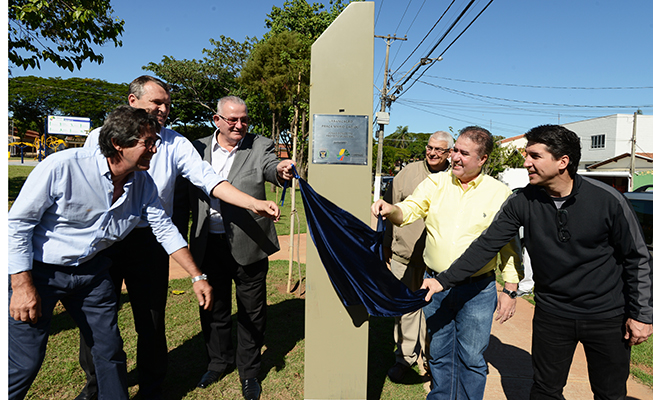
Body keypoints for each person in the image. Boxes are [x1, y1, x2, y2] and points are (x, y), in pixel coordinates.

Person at [76, 76, 278, 400]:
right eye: (156, 102)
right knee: (98, 319)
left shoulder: (175, 143)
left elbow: (209, 180)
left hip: (152, 241)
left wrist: (253, 202)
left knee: (152, 321)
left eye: (167, 104)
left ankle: (153, 387)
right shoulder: (98, 139)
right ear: (132, 101)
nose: (163, 109)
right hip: (104, 243)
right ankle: (95, 386)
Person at [425, 124, 653, 400]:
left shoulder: (608, 200)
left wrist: (641, 314)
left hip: (606, 316)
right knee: (545, 390)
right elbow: (486, 246)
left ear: (562, 162)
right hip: (552, 314)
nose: (526, 162)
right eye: (526, 154)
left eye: (534, 156)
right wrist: (442, 280)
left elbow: (637, 258)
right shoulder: (522, 201)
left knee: (610, 393)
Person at [8, 107, 220, 400]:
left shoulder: (142, 182)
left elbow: (164, 229)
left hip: (91, 274)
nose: (155, 149)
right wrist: (21, 286)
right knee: (24, 363)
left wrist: (197, 276)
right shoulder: (63, 167)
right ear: (119, 143)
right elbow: (18, 224)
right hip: (39, 272)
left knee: (109, 352)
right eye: (147, 142)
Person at [372, 126, 522, 400]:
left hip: (477, 291)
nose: (455, 157)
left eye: (464, 153)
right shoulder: (436, 183)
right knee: (439, 354)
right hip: (435, 285)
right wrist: (391, 209)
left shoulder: (499, 194)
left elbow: (510, 247)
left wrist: (510, 289)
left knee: (472, 358)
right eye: (455, 150)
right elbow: (411, 209)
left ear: (483, 159)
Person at [175, 96, 293, 400]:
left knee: (252, 311)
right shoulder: (195, 148)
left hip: (249, 240)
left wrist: (281, 171)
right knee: (213, 308)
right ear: (217, 120)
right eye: (232, 120)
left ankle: (250, 371)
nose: (240, 125)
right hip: (207, 241)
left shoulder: (261, 145)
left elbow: (271, 168)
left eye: (244, 119)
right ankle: (218, 362)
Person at [382, 131, 453, 383]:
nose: (432, 153)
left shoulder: (455, 177)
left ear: (449, 153)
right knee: (407, 310)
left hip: (439, 261)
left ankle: (433, 361)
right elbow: (389, 208)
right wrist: (386, 245)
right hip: (405, 255)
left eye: (439, 150)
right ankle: (405, 359)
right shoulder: (407, 174)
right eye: (429, 148)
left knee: (437, 312)